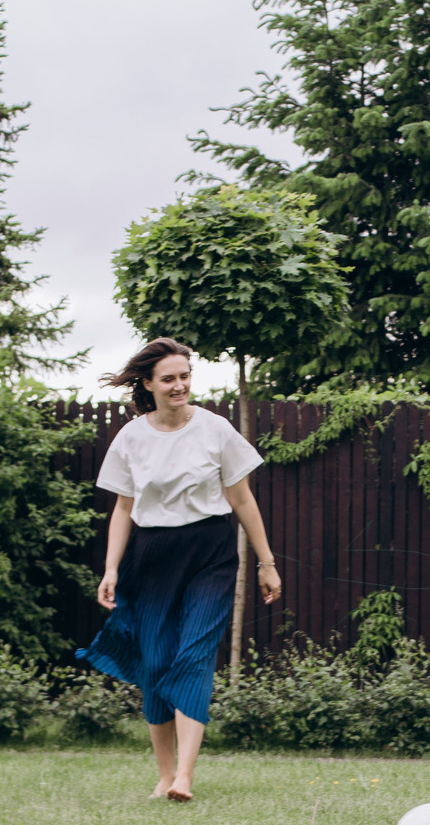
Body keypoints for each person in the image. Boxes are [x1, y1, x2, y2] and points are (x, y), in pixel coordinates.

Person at [78, 339, 282, 801]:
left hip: (210, 552)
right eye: (168, 378)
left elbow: (243, 499)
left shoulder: (216, 429)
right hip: (151, 558)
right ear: (147, 384)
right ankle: (165, 775)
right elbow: (123, 509)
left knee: (192, 656)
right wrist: (111, 569)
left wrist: (266, 562)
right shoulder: (131, 437)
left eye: (185, 376)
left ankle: (185, 778)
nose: (179, 385)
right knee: (154, 662)